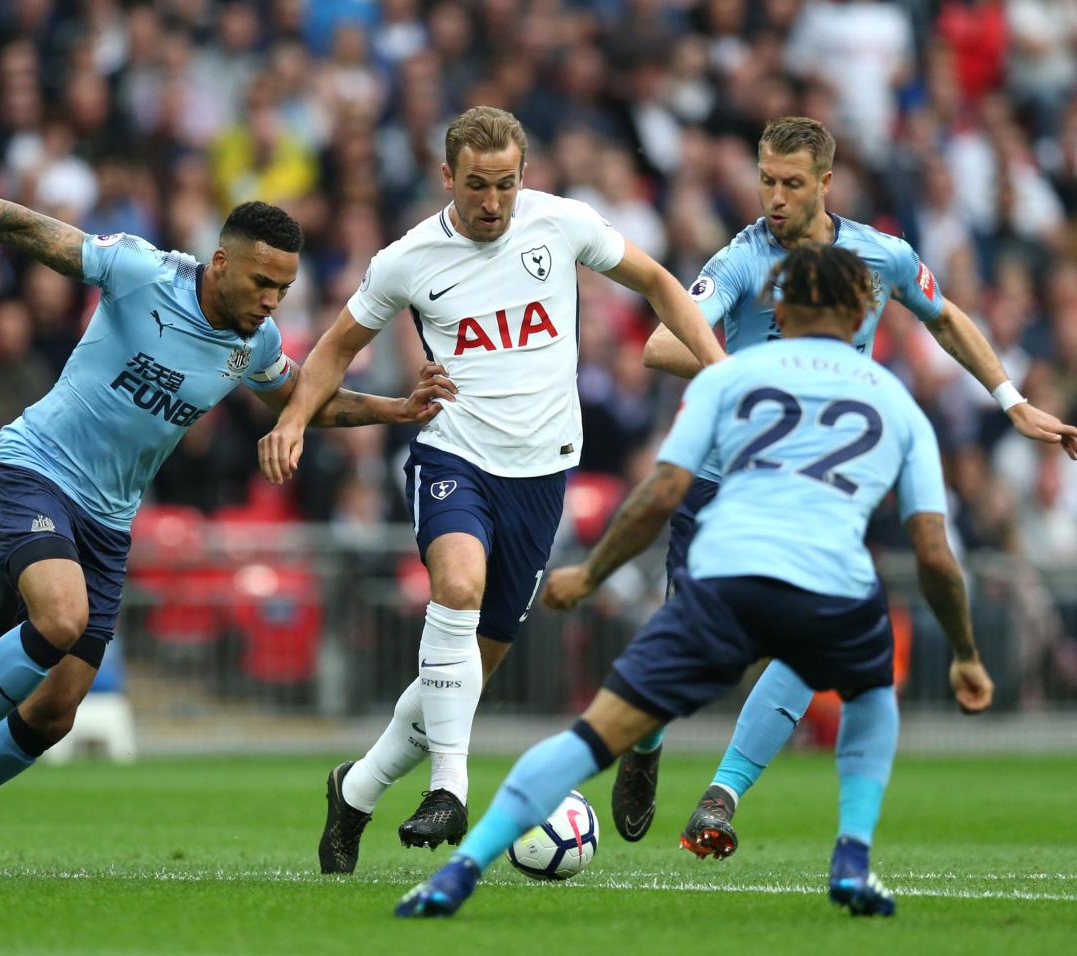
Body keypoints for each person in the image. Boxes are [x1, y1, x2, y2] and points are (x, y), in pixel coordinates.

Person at [0, 173, 453, 879]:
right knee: (60, 619)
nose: (273, 300)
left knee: (56, 712)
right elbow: (21, 226)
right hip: (37, 468)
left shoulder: (255, 338)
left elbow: (301, 400)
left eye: (283, 287)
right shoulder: (140, 271)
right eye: (263, 282)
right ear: (221, 263)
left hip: (109, 522)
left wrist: (397, 409)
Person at [395, 243, 995, 920]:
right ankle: (852, 857)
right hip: (834, 586)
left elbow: (659, 494)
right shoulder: (897, 402)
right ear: (863, 311)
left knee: (594, 736)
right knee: (869, 692)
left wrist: (592, 574)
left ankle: (460, 871)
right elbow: (935, 554)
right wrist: (967, 654)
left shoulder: (726, 376)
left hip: (727, 580)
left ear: (781, 309)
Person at [255, 106, 726, 873]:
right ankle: (451, 787)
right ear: (448, 177)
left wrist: (719, 369)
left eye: (506, 184)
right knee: (459, 585)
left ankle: (356, 792)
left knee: (459, 678)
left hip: (541, 477)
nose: (492, 202)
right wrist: (295, 421)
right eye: (477, 185)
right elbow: (336, 346)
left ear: (523, 176)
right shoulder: (408, 258)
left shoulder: (561, 224)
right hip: (454, 457)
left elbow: (660, 283)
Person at [618, 116, 1076, 859]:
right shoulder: (741, 259)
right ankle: (645, 745)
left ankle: (721, 796)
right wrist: (753, 379)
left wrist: (1011, 401)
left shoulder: (881, 254)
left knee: (811, 641)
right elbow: (660, 344)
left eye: (791, 183)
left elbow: (947, 316)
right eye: (766, 179)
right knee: (697, 656)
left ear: (825, 183)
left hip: (815, 487)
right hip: (723, 482)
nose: (773, 196)